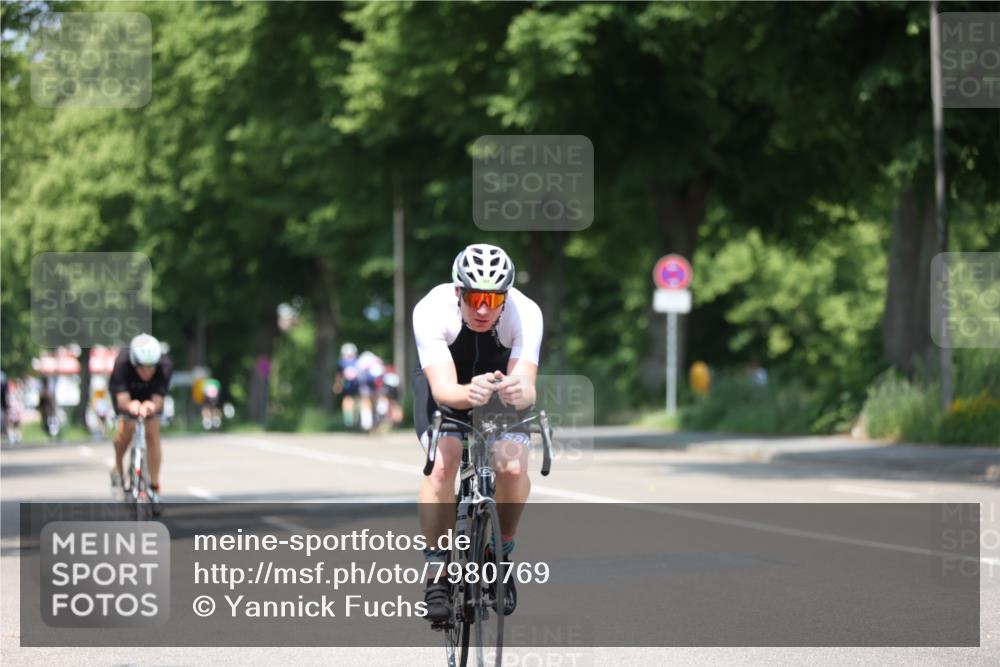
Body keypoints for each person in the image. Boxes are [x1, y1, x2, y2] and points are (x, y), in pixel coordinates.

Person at [412, 243, 542, 622]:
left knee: (513, 467)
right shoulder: (431, 309)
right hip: (448, 384)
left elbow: (527, 387)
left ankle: (500, 553)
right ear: (458, 292)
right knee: (443, 462)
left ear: (505, 297)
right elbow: (444, 391)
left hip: (500, 384)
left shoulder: (526, 312)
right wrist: (471, 392)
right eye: (473, 297)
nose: (483, 308)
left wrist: (520, 391)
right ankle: (437, 571)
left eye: (493, 298)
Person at [109, 333, 173, 515]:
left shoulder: (165, 365)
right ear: (133, 362)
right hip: (127, 393)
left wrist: (151, 405)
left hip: (150, 396)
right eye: (142, 368)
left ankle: (154, 487)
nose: (147, 372)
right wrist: (130, 405)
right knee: (126, 430)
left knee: (152, 432)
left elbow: (158, 399)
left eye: (151, 368)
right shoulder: (122, 363)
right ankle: (118, 470)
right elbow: (122, 399)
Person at [333, 343, 361, 428]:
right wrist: (338, 384)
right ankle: (349, 419)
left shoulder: (358, 362)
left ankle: (356, 417)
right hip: (347, 384)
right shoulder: (342, 363)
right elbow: (339, 375)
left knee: (356, 400)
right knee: (348, 400)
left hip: (357, 384)